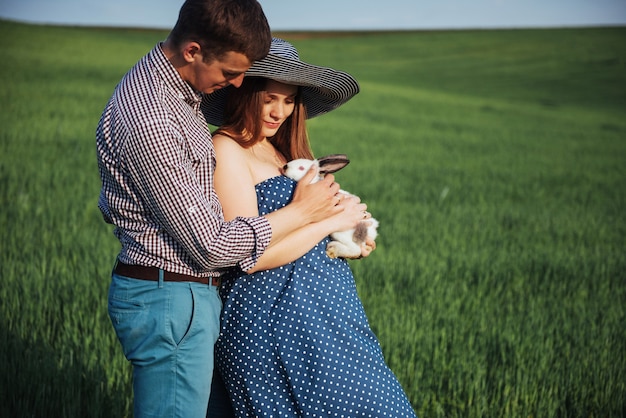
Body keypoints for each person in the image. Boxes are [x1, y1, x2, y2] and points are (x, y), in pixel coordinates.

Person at [96, 1, 366, 416]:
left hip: (188, 296)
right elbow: (212, 246)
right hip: (172, 294)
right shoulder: (151, 116)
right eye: (230, 71)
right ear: (192, 51)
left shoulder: (178, 98)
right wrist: (304, 212)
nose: (239, 83)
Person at [203, 38, 417, 417]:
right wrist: (329, 223)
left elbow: (311, 222)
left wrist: (351, 228)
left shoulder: (284, 152)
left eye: (289, 101)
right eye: (269, 98)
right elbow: (250, 256)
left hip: (329, 313)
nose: (279, 111)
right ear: (246, 94)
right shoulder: (227, 149)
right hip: (276, 318)